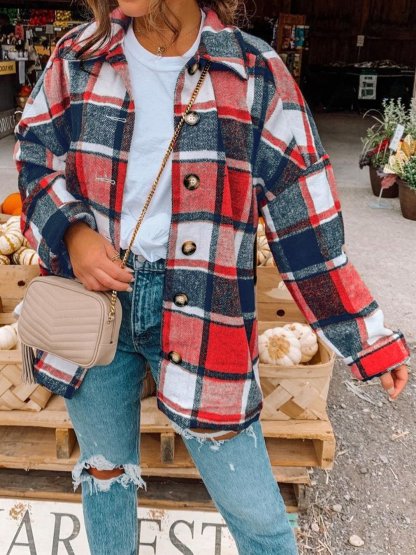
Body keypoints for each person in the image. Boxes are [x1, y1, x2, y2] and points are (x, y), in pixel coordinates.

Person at [14, 0, 410, 553]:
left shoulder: (254, 74)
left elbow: (305, 220)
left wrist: (365, 338)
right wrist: (73, 232)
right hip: (92, 309)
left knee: (257, 514)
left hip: (204, 310)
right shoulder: (79, 56)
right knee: (105, 476)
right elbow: (34, 153)